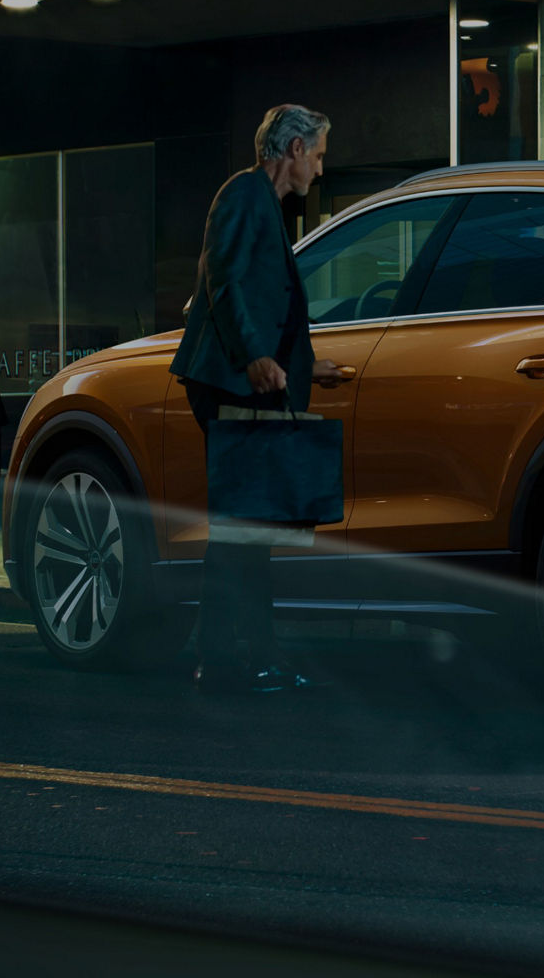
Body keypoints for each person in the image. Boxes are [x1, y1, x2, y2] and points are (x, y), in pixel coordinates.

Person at [170, 104, 340, 695]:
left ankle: (228, 658)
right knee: (244, 528)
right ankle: (234, 659)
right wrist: (254, 358)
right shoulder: (243, 195)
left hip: (242, 379)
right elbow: (226, 278)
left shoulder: (262, 204)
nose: (319, 169)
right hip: (228, 381)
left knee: (245, 529)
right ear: (294, 150)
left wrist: (301, 363)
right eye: (317, 155)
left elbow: (260, 296)